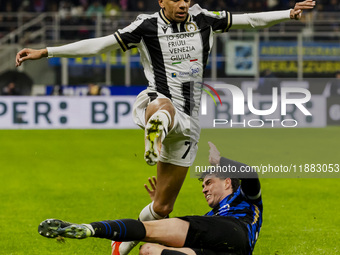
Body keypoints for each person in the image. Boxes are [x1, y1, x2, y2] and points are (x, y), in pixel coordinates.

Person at [16, 1, 314, 254]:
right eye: (176, 0)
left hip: (190, 123)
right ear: (162, 2)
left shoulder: (202, 19)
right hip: (158, 100)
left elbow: (248, 20)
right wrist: (47, 51)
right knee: (163, 107)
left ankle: (123, 244)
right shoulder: (145, 27)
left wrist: (288, 12)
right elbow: (100, 45)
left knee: (161, 207)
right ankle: (156, 128)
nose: (183, 4)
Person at [38, 142, 262, 255]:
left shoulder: (245, 200)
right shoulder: (211, 217)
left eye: (209, 182)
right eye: (203, 185)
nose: (204, 189)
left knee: (149, 229)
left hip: (235, 231)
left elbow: (251, 175)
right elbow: (180, 236)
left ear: (228, 181)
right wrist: (163, 212)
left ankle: (89, 229)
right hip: (231, 251)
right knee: (149, 250)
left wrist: (221, 161)